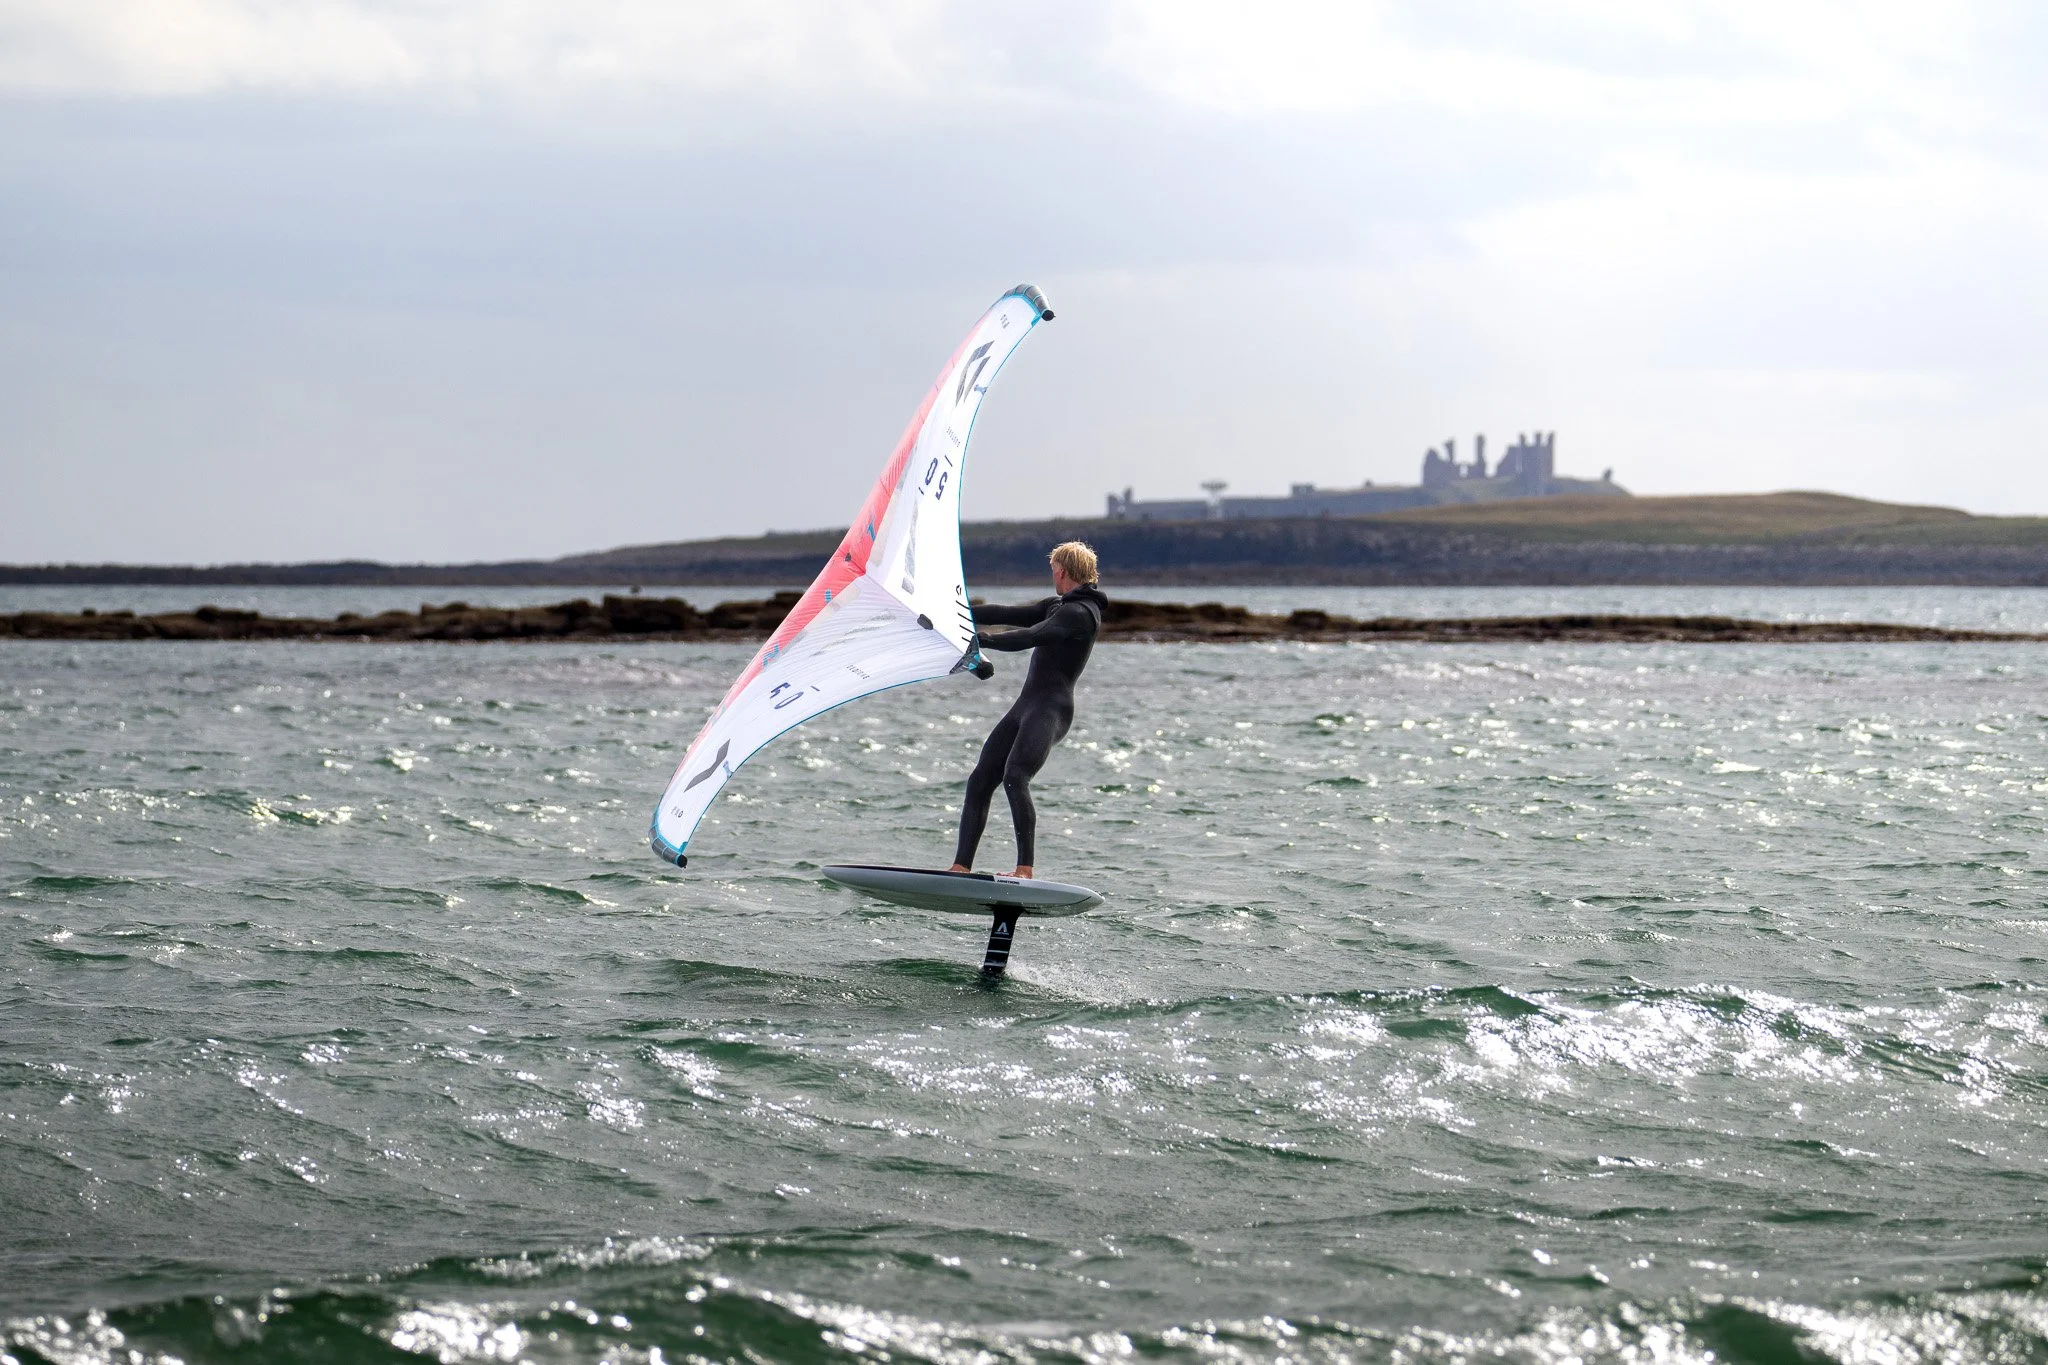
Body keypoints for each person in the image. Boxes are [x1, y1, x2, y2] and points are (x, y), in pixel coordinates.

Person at [949, 541, 1107, 879]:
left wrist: (985, 641)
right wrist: (959, 611)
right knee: (980, 780)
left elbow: (1033, 635)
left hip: (1051, 709)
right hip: (1027, 705)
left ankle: (1024, 869)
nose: (1053, 576)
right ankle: (961, 867)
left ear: (1061, 571)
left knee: (1015, 777)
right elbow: (1007, 614)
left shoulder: (1079, 614)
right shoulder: (1058, 605)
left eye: (1053, 571)